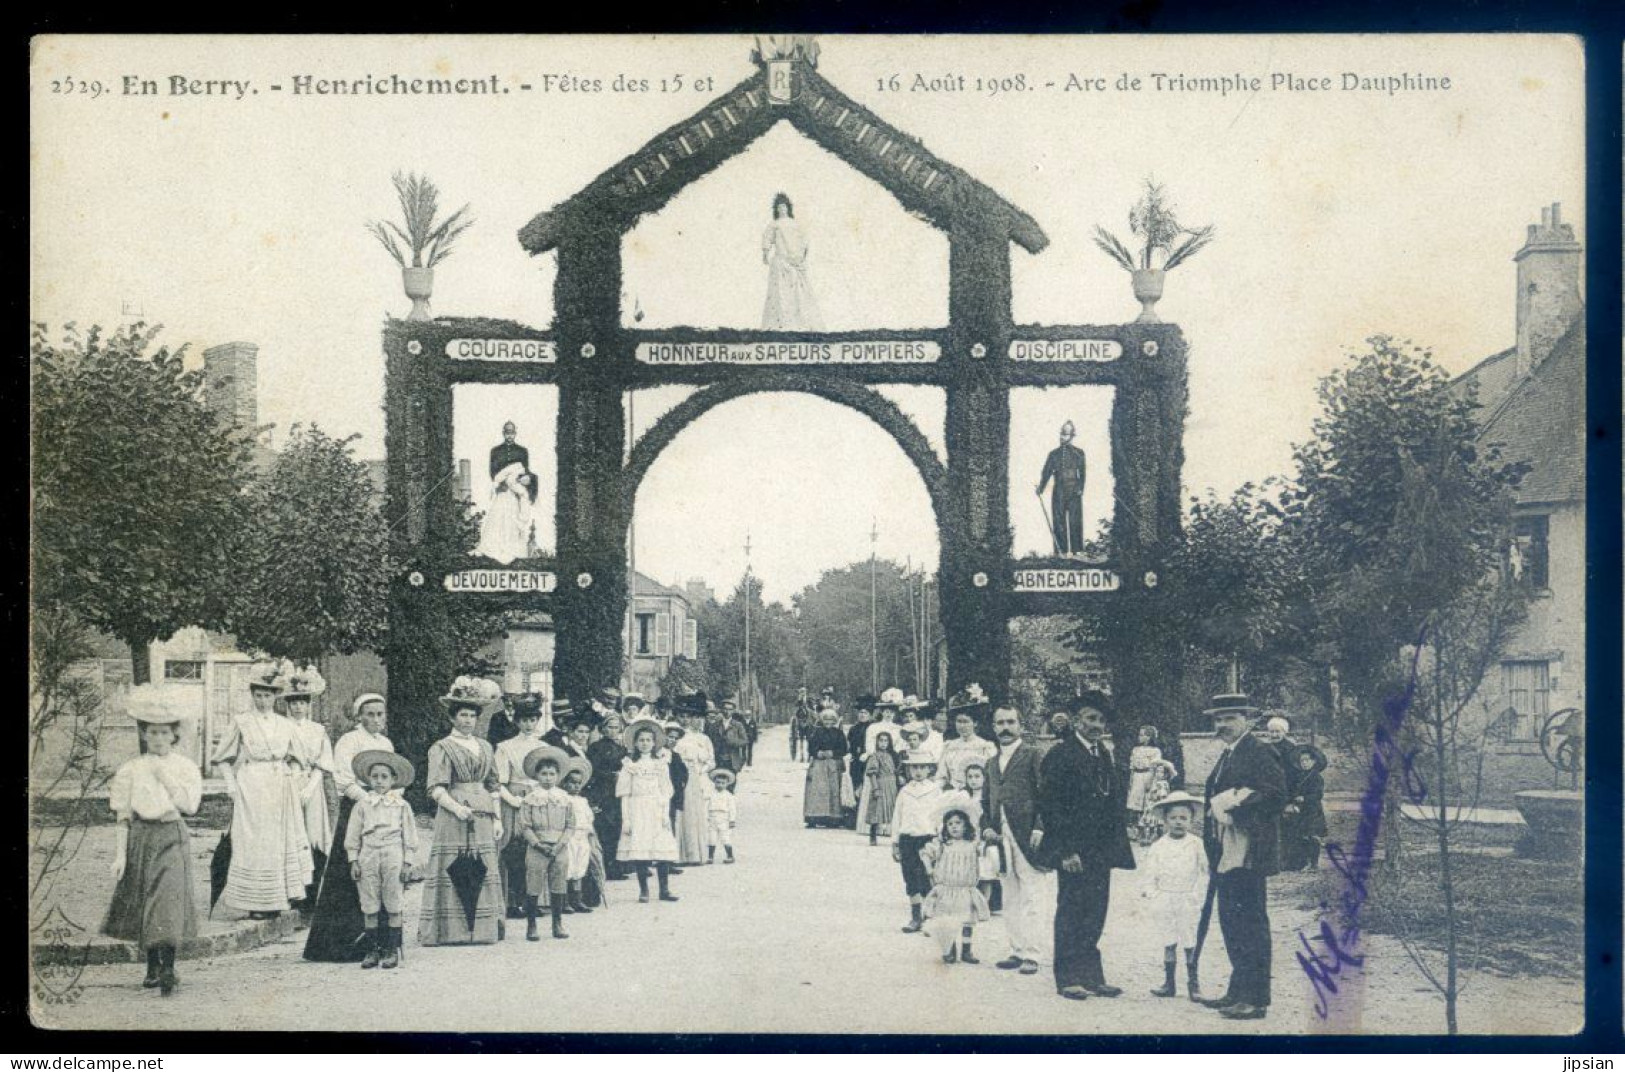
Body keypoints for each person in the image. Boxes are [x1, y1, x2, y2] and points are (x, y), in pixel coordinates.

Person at [102, 686, 201, 996]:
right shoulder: (131, 769)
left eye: (164, 733)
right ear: (144, 735)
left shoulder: (184, 767)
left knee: (168, 900)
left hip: (172, 834)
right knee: (146, 898)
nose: (158, 738)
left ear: (174, 735)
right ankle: (151, 966)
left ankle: (169, 966)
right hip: (141, 837)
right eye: (152, 732)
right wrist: (120, 855)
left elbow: (190, 806)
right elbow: (123, 816)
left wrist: (165, 776)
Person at [1037, 691, 1136, 1001]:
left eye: (1101, 720)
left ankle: (1093, 977)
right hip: (1074, 849)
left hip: (1101, 849)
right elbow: (1051, 807)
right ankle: (1068, 978)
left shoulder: (1102, 753)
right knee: (1072, 910)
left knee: (1096, 911)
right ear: (1077, 720)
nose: (1096, 725)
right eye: (1091, 719)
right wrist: (1066, 850)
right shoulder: (1061, 754)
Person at [1199, 693, 1286, 1021]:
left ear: (1247, 720)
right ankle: (1238, 990)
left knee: (1250, 922)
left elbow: (1277, 795)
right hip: (1227, 849)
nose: (1222, 725)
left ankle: (1255, 998)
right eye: (1218, 719)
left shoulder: (1260, 751)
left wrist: (1235, 805)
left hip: (1249, 848)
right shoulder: (1228, 754)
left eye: (1230, 718)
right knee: (1232, 921)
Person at [212, 663, 312, 918]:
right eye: (258, 695)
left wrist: (297, 779)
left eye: (268, 695)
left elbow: (299, 758)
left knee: (275, 840)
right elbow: (222, 757)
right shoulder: (242, 721)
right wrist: (231, 784)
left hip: (279, 785)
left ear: (276, 697)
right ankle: (253, 900)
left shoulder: (285, 724)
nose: (263, 700)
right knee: (252, 841)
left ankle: (275, 899)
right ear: (252, 695)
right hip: (251, 784)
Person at [305, 693, 393, 962]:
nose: (376, 719)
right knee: (350, 869)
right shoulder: (349, 741)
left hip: (382, 807)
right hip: (356, 807)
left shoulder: (385, 743)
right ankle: (340, 943)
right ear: (360, 716)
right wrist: (367, 799)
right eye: (370, 714)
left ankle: (381, 941)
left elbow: (391, 776)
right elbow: (342, 778)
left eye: (380, 714)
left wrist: (386, 798)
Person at [418, 681, 506, 946]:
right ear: (452, 717)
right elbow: (435, 788)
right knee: (452, 866)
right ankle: (449, 931)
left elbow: (494, 785)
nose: (468, 721)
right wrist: (457, 808)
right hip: (453, 813)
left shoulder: (486, 747)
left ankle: (483, 930)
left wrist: (498, 817)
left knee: (484, 866)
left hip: (483, 813)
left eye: (472, 715)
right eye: (463, 715)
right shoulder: (442, 748)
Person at [983, 704, 1054, 976]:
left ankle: (1033, 954)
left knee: (1033, 896)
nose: (1005, 728)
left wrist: (1040, 827)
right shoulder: (991, 762)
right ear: (993, 727)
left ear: (1020, 725)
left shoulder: (1033, 754)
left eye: (1010, 722)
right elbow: (986, 799)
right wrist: (989, 827)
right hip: (1002, 837)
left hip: (1028, 835)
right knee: (1010, 895)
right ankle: (1016, 949)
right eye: (1000, 723)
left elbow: (1047, 795)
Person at [343, 749, 417, 970]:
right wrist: (353, 860)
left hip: (393, 851)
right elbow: (353, 835)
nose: (379, 781)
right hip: (369, 852)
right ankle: (372, 949)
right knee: (369, 901)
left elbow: (410, 836)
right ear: (368, 779)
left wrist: (407, 862)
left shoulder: (402, 805)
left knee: (393, 901)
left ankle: (391, 949)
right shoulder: (363, 804)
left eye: (384, 777)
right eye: (374, 776)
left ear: (394, 780)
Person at [1140, 791, 1208, 1000]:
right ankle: (1169, 983)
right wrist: (1154, 894)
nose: (1178, 822)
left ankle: (1193, 983)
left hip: (1187, 897)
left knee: (1190, 939)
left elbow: (1204, 872)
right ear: (1165, 820)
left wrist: (1197, 895)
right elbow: (1150, 872)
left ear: (1191, 820)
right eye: (1174, 818)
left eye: (1183, 818)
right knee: (1169, 939)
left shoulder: (1196, 844)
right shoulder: (1159, 846)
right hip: (1166, 897)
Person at [277, 666, 333, 915]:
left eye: (303, 702)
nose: (298, 707)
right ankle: (291, 892)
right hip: (288, 781)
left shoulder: (317, 730)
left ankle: (312, 895)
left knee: (314, 834)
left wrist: (311, 785)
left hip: (312, 783)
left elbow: (324, 761)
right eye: (294, 702)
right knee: (290, 833)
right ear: (288, 704)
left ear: (309, 704)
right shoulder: (280, 727)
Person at [493, 696, 546, 919]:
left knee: (535, 849)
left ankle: (532, 900)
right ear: (517, 721)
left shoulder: (543, 747)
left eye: (532, 720)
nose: (528, 725)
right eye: (524, 720)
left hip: (536, 799)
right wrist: (513, 800)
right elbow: (498, 781)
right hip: (514, 801)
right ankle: (512, 901)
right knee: (513, 849)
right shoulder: (505, 747)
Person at [617, 718, 681, 904]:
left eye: (648, 740)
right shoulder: (629, 765)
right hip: (637, 809)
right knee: (641, 850)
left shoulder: (660, 764)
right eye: (641, 740)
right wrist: (626, 820)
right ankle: (644, 889)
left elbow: (666, 791)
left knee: (661, 849)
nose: (645, 743)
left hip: (656, 809)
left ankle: (664, 889)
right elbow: (625, 794)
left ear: (654, 743)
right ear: (635, 743)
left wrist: (664, 815)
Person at [517, 745, 575, 941]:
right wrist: (537, 844)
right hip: (537, 847)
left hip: (559, 846)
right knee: (533, 884)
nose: (548, 778)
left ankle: (557, 923)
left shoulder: (565, 799)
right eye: (544, 774)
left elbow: (570, 825)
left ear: (558, 776)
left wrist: (560, 844)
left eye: (552, 774)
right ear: (537, 776)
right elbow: (525, 826)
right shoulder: (530, 799)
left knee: (558, 884)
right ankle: (531, 925)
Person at [921, 805, 992, 965]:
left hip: (965, 890)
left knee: (966, 921)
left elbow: (986, 854)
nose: (954, 827)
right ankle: (949, 950)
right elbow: (926, 853)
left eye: (958, 823)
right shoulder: (942, 844)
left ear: (966, 825)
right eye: (950, 824)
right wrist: (929, 868)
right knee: (948, 922)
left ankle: (967, 950)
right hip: (946, 890)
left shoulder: (973, 845)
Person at [892, 748, 946, 934]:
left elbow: (940, 816)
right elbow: (897, 817)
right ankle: (915, 917)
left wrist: (940, 838)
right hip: (908, 839)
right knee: (910, 876)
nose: (918, 771)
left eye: (922, 767)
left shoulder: (935, 790)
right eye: (914, 767)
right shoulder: (905, 791)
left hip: (927, 839)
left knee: (927, 877)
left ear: (930, 769)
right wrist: (895, 842)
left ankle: (930, 917)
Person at [476, 422, 537, 565]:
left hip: (515, 492)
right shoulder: (496, 451)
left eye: (512, 433)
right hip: (502, 491)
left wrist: (520, 482)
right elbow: (493, 471)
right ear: (503, 433)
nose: (510, 435)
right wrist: (501, 483)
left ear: (515, 433)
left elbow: (525, 471)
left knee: (513, 519)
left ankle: (513, 550)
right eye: (507, 433)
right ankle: (496, 549)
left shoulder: (522, 451)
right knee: (498, 517)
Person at [760, 192, 823, 331]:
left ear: (788, 208)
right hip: (780, 263)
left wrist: (800, 258)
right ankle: (780, 325)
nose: (782, 209)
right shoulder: (774, 225)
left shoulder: (795, 224)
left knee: (798, 294)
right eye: (779, 207)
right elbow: (767, 238)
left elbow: (804, 241)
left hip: (794, 263)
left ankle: (799, 325)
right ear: (776, 209)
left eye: (784, 206)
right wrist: (765, 253)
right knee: (780, 294)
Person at [671, 698, 714, 866]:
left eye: (689, 716)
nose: (685, 720)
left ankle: (694, 853)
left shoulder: (702, 738)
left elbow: (711, 761)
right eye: (681, 715)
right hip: (678, 777)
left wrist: (700, 772)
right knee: (679, 814)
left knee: (695, 813)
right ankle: (678, 855)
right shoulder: (672, 735)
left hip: (696, 777)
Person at [586, 711, 628, 880]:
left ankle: (616, 866)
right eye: (610, 727)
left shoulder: (622, 749)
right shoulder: (595, 748)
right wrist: (612, 775)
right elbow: (593, 770)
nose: (613, 731)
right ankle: (604, 867)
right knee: (605, 827)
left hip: (618, 791)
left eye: (616, 728)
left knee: (618, 827)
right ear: (603, 729)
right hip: (603, 791)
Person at [1037, 419, 1087, 557]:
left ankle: (1077, 551)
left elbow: (1082, 474)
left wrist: (1081, 488)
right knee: (1058, 521)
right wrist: (1041, 488)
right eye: (1061, 433)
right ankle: (1061, 552)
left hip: (1074, 490)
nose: (1062, 437)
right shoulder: (1053, 454)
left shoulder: (1079, 453)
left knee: (1075, 521)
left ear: (1071, 436)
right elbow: (1046, 472)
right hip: (1058, 490)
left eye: (1065, 434)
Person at [560, 758, 601, 913]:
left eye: (578, 783)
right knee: (568, 867)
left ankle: (577, 899)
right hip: (569, 836)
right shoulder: (563, 799)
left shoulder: (583, 800)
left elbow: (589, 818)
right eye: (571, 782)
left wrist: (590, 833)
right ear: (564, 783)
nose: (576, 786)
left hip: (582, 836)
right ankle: (564, 901)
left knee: (580, 866)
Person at [1127, 725, 1179, 845]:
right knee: (1134, 803)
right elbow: (1132, 767)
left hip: (1147, 777)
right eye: (1139, 734)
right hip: (1137, 777)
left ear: (1149, 737)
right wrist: (1131, 781)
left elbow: (1154, 767)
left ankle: (1147, 831)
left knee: (1146, 804)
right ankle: (1135, 830)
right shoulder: (1135, 749)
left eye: (1143, 734)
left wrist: (1150, 782)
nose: (1140, 737)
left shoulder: (1155, 751)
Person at [1280, 744, 1328, 871]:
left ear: (1314, 761)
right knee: (1302, 835)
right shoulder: (1299, 776)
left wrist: (1305, 798)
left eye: (1307, 760)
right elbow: (1293, 791)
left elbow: (1318, 794)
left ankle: (1314, 863)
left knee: (1313, 836)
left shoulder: (1316, 777)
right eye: (1302, 761)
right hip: (1301, 811)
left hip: (1313, 811)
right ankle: (1304, 862)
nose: (1304, 763)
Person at [802, 703, 848, 828]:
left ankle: (833, 817)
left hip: (833, 764)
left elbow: (844, 749)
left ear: (834, 721)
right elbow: (811, 747)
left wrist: (833, 753)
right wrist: (818, 753)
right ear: (822, 721)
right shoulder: (817, 732)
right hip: (819, 764)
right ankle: (815, 816)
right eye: (826, 720)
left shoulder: (839, 733)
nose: (828, 722)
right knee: (818, 789)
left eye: (831, 720)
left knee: (834, 789)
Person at [940, 702, 997, 791]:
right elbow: (942, 776)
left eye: (966, 721)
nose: (962, 726)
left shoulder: (985, 746)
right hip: (954, 793)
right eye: (959, 721)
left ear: (975, 723)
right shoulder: (949, 746)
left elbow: (993, 775)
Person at [859, 730, 900, 846]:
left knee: (893, 811)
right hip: (880, 784)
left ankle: (896, 838)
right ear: (877, 742)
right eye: (881, 740)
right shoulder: (875, 756)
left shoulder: (892, 756)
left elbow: (896, 771)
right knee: (877, 810)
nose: (883, 743)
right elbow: (872, 773)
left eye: (886, 741)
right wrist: (875, 788)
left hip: (892, 786)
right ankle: (873, 835)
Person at [707, 768, 738, 864]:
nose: (720, 785)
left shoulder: (729, 796)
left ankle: (730, 856)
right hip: (713, 817)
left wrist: (732, 820)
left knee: (725, 837)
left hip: (724, 818)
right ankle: (710, 857)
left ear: (727, 784)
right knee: (711, 838)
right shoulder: (711, 794)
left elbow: (732, 809)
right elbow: (706, 806)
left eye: (723, 783)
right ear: (714, 783)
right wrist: (706, 817)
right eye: (718, 782)